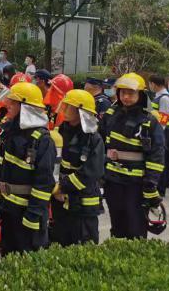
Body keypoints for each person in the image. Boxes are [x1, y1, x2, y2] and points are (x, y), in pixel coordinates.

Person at [0, 81, 55, 255]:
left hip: (28, 213)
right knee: (9, 258)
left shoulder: (42, 140)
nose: (8, 105)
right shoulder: (9, 132)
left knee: (28, 261)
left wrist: (33, 214)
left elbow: (44, 182)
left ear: (26, 107)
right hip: (8, 210)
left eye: (13, 102)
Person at [100, 73, 165, 239]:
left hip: (136, 184)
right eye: (123, 93)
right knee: (117, 224)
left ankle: (135, 253)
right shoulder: (110, 114)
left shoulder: (149, 121)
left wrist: (150, 184)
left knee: (136, 227)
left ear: (140, 95)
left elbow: (156, 156)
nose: (126, 97)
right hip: (112, 180)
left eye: (131, 93)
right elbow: (100, 144)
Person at [50, 90, 105, 246]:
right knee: (60, 243)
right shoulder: (59, 131)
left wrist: (62, 187)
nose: (64, 109)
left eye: (69, 106)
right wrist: (55, 188)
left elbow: (91, 172)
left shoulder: (93, 139)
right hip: (59, 200)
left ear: (81, 111)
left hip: (83, 204)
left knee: (84, 246)